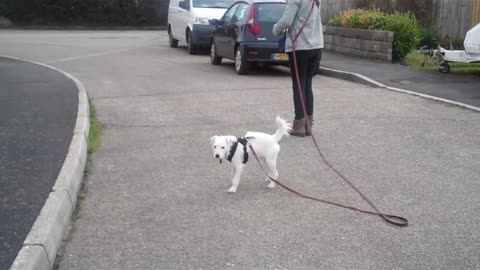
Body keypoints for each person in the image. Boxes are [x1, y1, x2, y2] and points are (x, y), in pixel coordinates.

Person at [273, 0, 324, 137]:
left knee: (298, 85)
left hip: (300, 46)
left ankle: (299, 125)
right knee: (307, 85)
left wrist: (275, 29)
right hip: (316, 46)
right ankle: (308, 124)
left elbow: (287, 20)